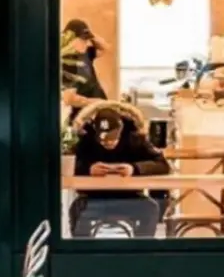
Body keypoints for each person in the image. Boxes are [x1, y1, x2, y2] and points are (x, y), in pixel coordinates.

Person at [69, 101, 171, 238]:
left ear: (121, 129)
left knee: (151, 208)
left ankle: (141, 251)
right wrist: (88, 169)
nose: (109, 143)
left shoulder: (134, 138)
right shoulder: (86, 140)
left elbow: (162, 164)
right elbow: (68, 165)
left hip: (130, 198)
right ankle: (82, 254)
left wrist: (135, 169)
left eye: (113, 139)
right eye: (103, 141)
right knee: (76, 210)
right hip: (94, 199)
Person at [61, 18, 108, 123]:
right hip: (81, 118)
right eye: (82, 39)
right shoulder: (67, 63)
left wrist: (91, 35)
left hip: (97, 111)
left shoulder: (86, 54)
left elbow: (105, 48)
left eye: (86, 40)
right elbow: (69, 98)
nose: (86, 43)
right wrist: (93, 102)